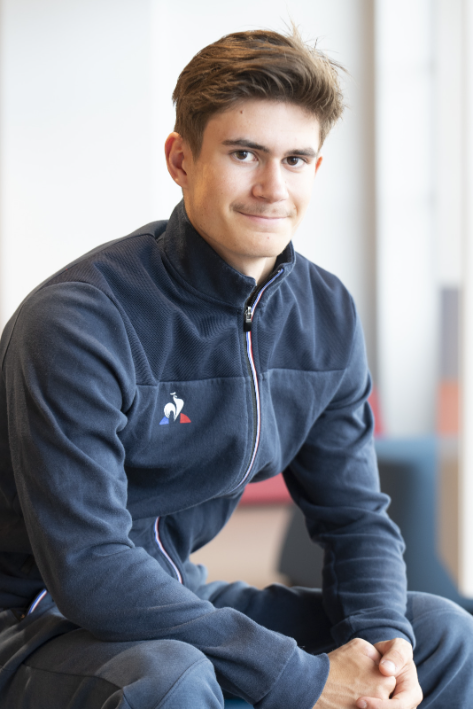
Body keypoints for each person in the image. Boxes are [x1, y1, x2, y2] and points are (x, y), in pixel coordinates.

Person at [0, 27, 471, 709]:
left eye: (295, 159)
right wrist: (303, 677)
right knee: (168, 677)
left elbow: (353, 517)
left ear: (316, 169)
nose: (271, 187)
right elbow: (88, 566)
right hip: (34, 616)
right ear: (181, 159)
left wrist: (381, 639)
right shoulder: (78, 322)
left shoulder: (325, 312)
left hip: (175, 594)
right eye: (243, 153)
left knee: (440, 634)